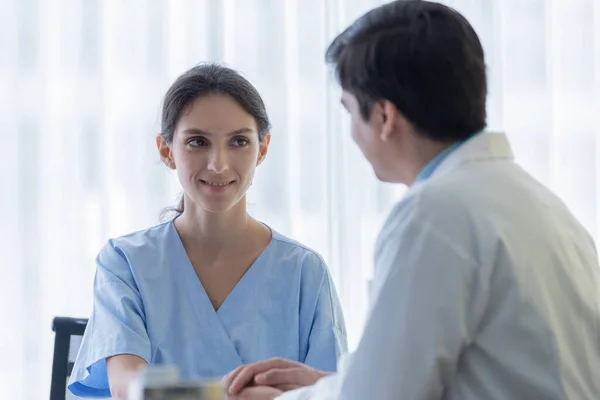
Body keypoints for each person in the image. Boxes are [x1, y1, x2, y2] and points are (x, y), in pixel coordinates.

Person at [223, 1, 600, 399]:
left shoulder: (435, 214)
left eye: (349, 111)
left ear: (385, 117)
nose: (351, 134)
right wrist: (333, 385)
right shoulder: (538, 204)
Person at [67, 63, 347, 399]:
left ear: (263, 148)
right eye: (197, 142)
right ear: (166, 150)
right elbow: (130, 388)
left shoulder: (305, 272)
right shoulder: (125, 262)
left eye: (239, 141)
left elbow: (333, 392)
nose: (218, 164)